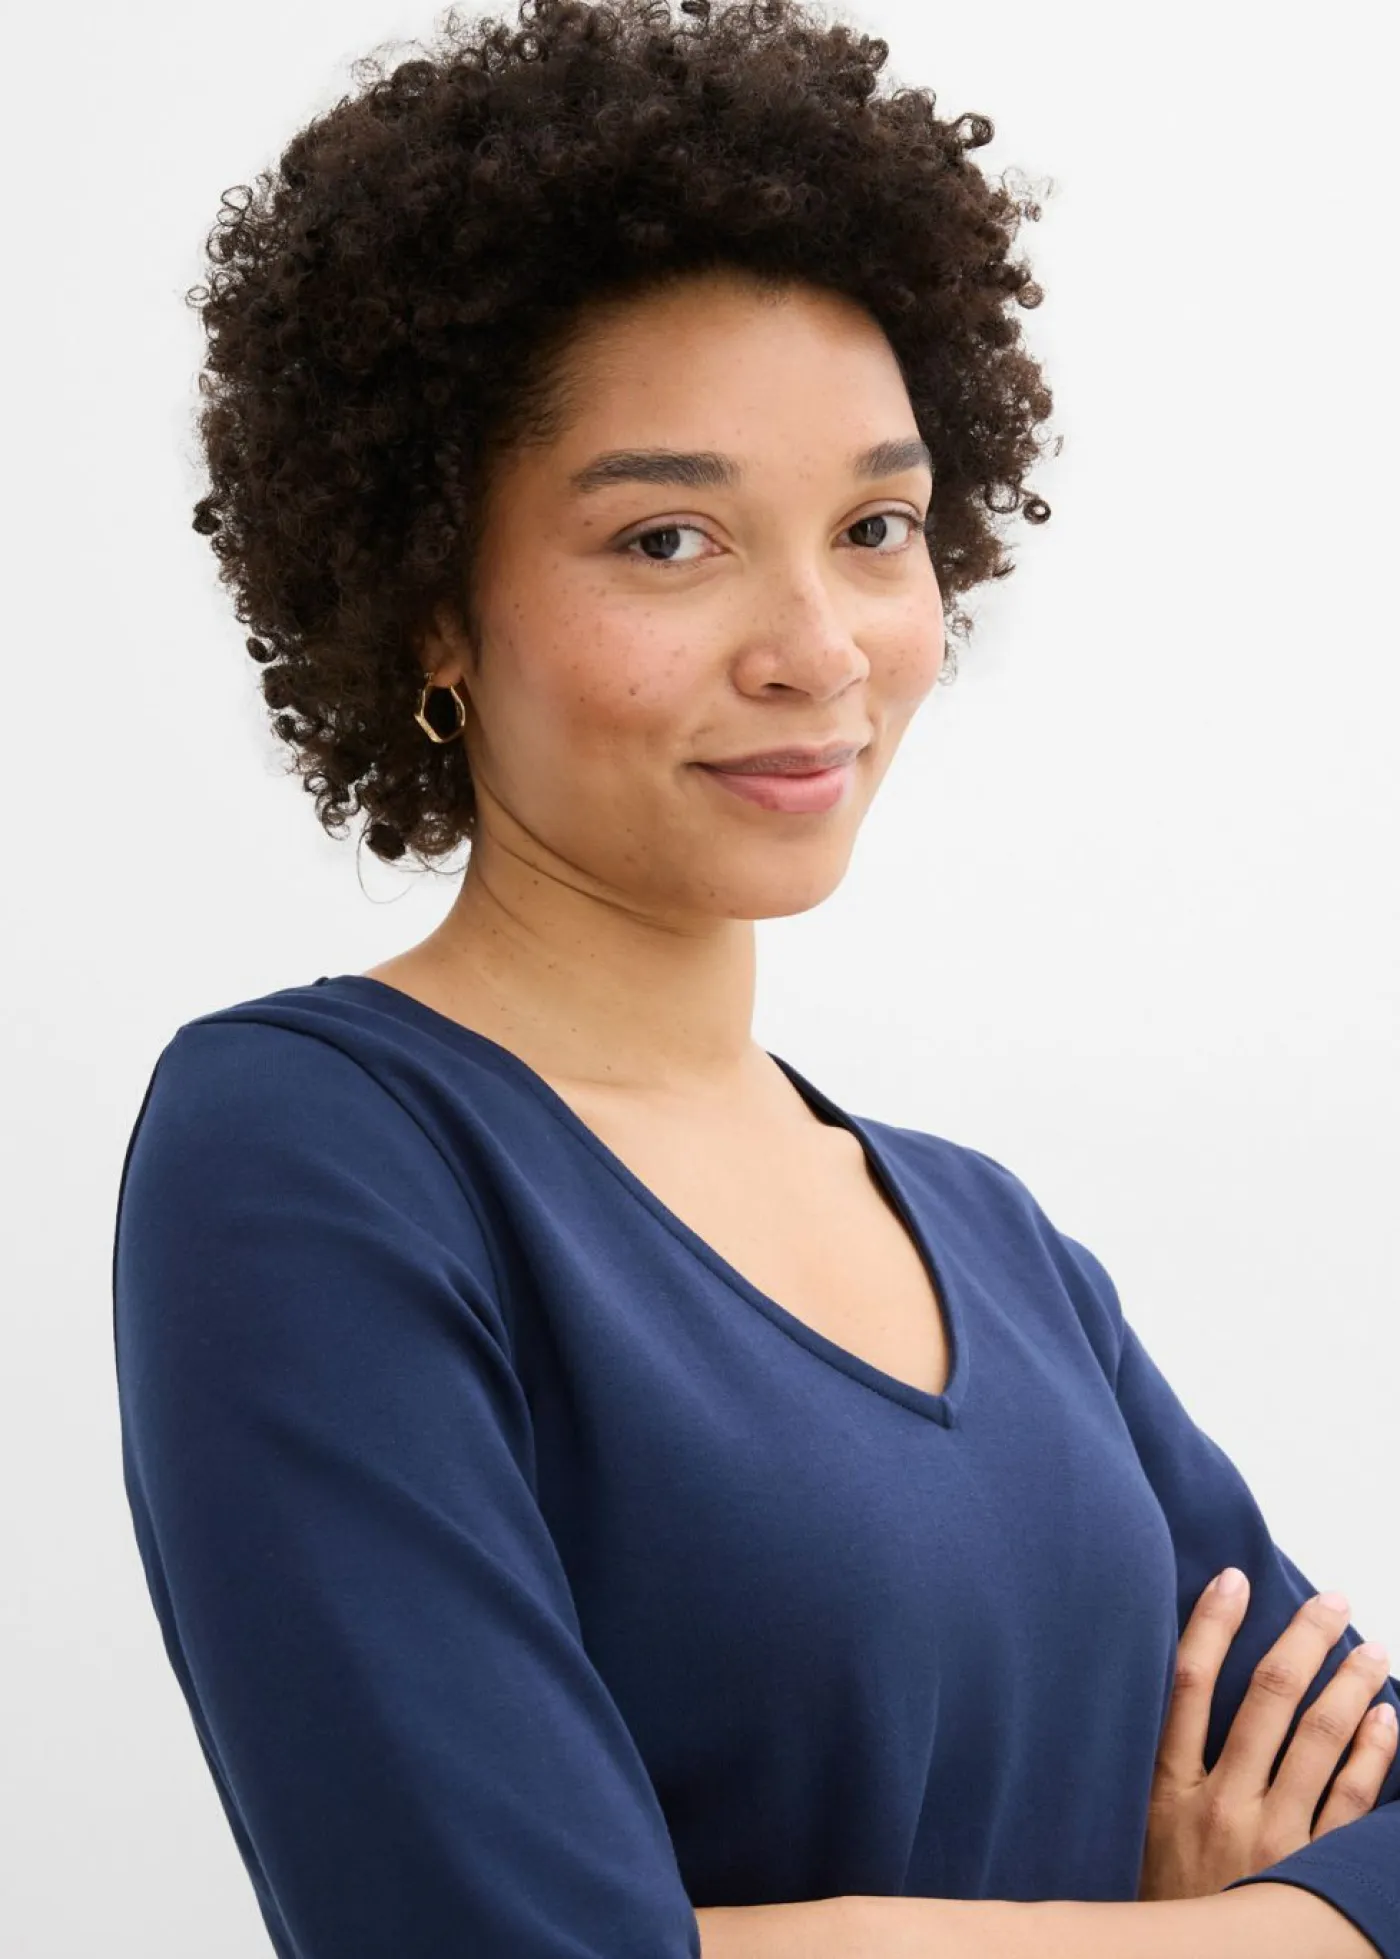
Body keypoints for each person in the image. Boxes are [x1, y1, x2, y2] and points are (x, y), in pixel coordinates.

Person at [112, 2, 1400, 1956]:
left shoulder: (1000, 1247)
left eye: (874, 527)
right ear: (432, 602)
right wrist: (1230, 1936)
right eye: (669, 537)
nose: (818, 647)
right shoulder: (313, 1154)